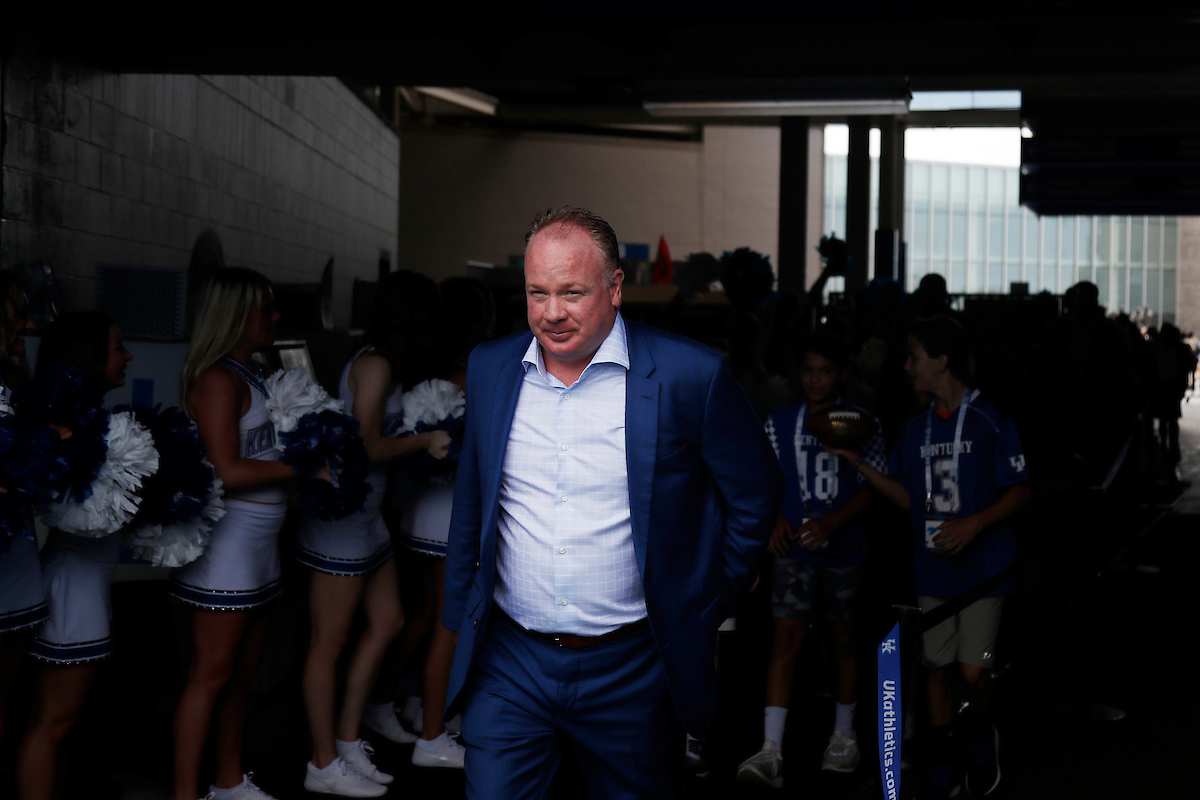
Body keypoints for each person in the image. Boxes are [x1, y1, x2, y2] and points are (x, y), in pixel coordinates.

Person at [442, 206, 783, 799]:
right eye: (537, 293)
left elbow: (755, 493)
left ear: (615, 287)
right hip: (510, 661)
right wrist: (455, 616)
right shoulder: (491, 368)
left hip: (633, 666)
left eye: (572, 292)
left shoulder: (688, 375)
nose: (552, 313)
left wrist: (706, 596)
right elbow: (473, 500)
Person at [828, 315, 1030, 800]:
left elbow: (1021, 490)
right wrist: (858, 463)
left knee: (972, 669)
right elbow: (906, 497)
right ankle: (943, 758)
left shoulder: (989, 418)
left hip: (983, 570)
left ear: (941, 362)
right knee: (936, 668)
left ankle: (980, 735)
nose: (907, 367)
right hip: (935, 567)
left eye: (915, 358)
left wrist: (975, 524)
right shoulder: (916, 429)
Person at [294, 271, 450, 797]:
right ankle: (322, 764)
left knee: (389, 621)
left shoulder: (383, 362)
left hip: (367, 519)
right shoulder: (377, 364)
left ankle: (345, 738)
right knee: (328, 644)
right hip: (343, 519)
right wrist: (426, 439)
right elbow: (365, 448)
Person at [168, 268, 305, 800]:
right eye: (264, 309)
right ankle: (185, 793)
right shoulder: (217, 379)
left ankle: (228, 781)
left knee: (242, 674)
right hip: (227, 552)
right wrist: (304, 468)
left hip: (258, 551)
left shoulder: (250, 374)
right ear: (236, 316)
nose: (274, 317)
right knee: (210, 675)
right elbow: (226, 469)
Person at [736, 333, 885, 789]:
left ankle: (843, 737)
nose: (815, 379)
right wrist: (776, 522)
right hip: (796, 549)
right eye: (808, 370)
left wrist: (833, 523)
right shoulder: (780, 422)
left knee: (844, 639)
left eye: (824, 371)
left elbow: (874, 487)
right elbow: (762, 479)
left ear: (841, 374)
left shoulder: (864, 422)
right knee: (784, 639)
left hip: (844, 551)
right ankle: (771, 749)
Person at [16, 312, 133, 800]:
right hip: (72, 590)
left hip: (86, 588)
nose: (127, 357)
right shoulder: (61, 429)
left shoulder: (88, 422)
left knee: (64, 729)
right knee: (51, 726)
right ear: (88, 358)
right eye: (116, 347)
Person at [0, 273, 44, 745]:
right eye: (18, 315)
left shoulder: (16, 383)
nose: (29, 325)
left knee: (7, 704)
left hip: (17, 561)